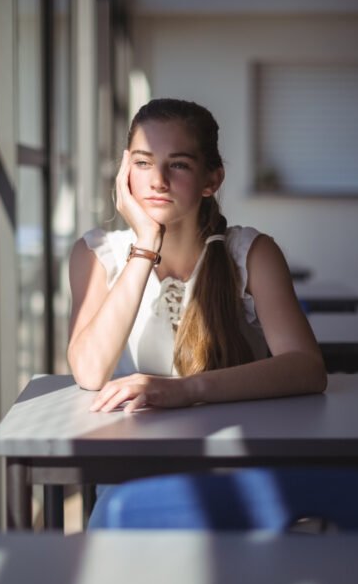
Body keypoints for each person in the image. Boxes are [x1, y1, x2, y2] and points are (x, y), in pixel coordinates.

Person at [67, 98, 327, 413]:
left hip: (236, 448)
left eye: (178, 164)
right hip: (128, 447)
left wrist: (188, 389)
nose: (158, 181)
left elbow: (307, 368)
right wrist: (146, 244)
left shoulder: (252, 254)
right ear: (125, 173)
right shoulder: (96, 254)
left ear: (211, 180)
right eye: (143, 163)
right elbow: (90, 373)